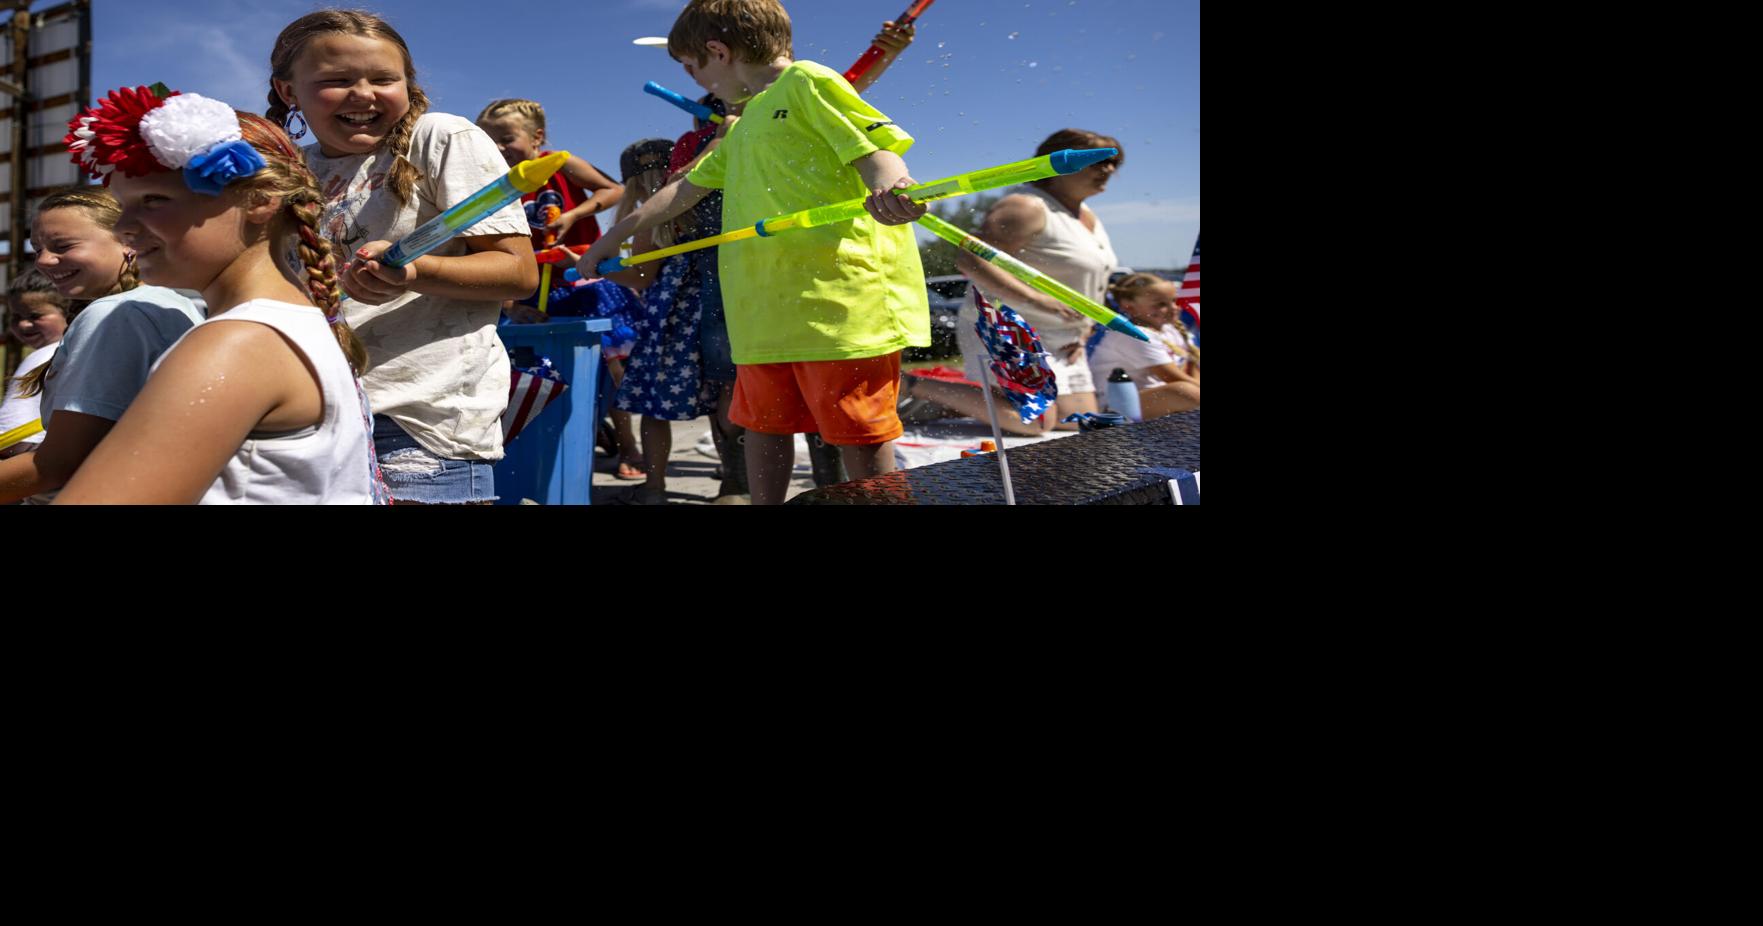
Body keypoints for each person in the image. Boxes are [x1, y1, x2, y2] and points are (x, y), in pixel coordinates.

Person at [579, 0, 931, 505]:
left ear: (717, 52)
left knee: (858, 432)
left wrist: (891, 187)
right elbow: (679, 193)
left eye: (693, 67)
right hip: (762, 312)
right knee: (763, 427)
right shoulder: (740, 126)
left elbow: (875, 147)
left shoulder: (808, 81)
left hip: (837, 307)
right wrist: (609, 242)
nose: (700, 81)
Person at [55, 90, 384, 504]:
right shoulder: (291, 323)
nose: (123, 226)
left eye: (154, 200)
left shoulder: (236, 344)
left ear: (260, 200)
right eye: (122, 205)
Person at [267, 9, 536, 504]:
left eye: (384, 79)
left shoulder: (439, 138)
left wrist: (415, 271)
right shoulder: (291, 171)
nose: (364, 94)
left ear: (407, 85)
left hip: (417, 421)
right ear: (289, 92)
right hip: (312, 414)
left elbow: (517, 271)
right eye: (337, 80)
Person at [902, 128, 1123, 436]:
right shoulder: (1027, 206)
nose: (1108, 169)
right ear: (1057, 162)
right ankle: (912, 385)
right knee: (1035, 420)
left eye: (1114, 163)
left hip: (1065, 335)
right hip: (1009, 326)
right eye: (1097, 161)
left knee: (1076, 418)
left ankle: (958, 400)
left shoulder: (1088, 215)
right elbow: (971, 259)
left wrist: (1084, 331)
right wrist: (1039, 300)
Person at [0, 186, 205, 504]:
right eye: (37, 247)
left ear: (128, 241)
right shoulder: (168, 302)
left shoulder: (115, 314)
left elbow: (60, 465)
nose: (43, 260)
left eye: (62, 246)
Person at [474, 98, 622, 252]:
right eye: (490, 143)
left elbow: (614, 191)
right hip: (535, 271)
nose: (498, 148)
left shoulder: (560, 162)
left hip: (582, 265)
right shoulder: (496, 182)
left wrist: (573, 215)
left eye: (507, 140)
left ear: (537, 137)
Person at [1087, 273, 1199, 418]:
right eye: (1160, 304)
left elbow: (1192, 367)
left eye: (1175, 301)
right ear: (1129, 307)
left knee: (1188, 390)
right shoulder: (1133, 335)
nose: (1174, 308)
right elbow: (1172, 378)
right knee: (1185, 391)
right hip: (1117, 407)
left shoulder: (1171, 330)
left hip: (1155, 398)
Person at [0, 270, 71, 462]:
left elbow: (12, 435)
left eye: (35, 315)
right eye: (15, 317)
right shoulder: (79, 351)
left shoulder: (44, 356)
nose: (23, 324)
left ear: (68, 312)